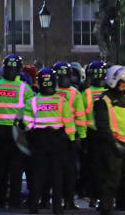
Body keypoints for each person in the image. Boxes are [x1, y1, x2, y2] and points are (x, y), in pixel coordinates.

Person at [0, 53, 32, 209]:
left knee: (0, 168)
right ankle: (14, 201)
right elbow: (31, 109)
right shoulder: (24, 88)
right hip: (16, 133)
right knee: (16, 169)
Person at [23, 67, 75, 214]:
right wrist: (71, 140)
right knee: (57, 176)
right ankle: (57, 208)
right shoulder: (61, 101)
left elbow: (27, 124)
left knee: (37, 175)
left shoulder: (33, 101)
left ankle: (34, 207)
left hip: (39, 141)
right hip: (58, 141)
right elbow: (69, 123)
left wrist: (32, 134)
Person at [94, 65, 125, 215]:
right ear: (113, 80)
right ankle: (106, 209)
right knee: (112, 180)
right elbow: (102, 126)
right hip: (113, 146)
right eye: (122, 81)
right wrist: (113, 143)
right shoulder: (103, 100)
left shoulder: (124, 97)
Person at [53, 61, 85, 210]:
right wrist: (80, 136)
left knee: (51, 171)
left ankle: (49, 200)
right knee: (70, 171)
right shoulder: (74, 93)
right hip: (69, 137)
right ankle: (69, 201)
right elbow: (80, 117)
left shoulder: (47, 91)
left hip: (51, 136)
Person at [82, 60, 108, 206]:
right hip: (110, 134)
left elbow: (80, 116)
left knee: (94, 168)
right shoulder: (110, 93)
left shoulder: (86, 93)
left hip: (92, 135)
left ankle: (94, 197)